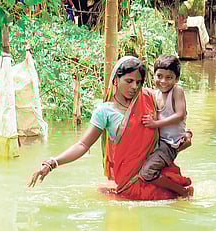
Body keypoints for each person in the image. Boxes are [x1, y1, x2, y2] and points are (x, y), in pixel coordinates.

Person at [28, 56, 193, 200]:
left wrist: (186, 134)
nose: (135, 87)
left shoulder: (149, 98)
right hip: (130, 185)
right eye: (129, 81)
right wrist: (52, 163)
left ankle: (183, 193)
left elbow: (173, 118)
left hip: (160, 187)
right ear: (116, 80)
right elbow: (83, 145)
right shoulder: (105, 111)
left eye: (138, 82)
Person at [139, 56, 193, 197]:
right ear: (154, 74)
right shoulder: (155, 94)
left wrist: (155, 124)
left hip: (170, 144)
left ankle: (182, 192)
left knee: (147, 172)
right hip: (159, 142)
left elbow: (180, 114)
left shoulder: (177, 91)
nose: (163, 81)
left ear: (176, 79)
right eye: (159, 76)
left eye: (169, 77)